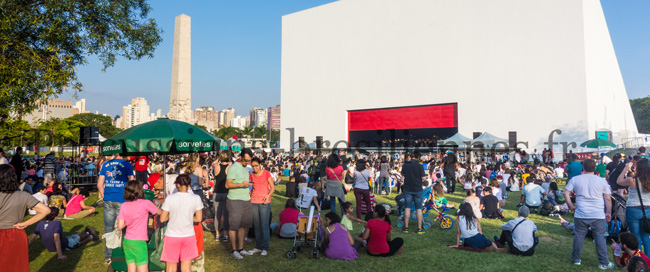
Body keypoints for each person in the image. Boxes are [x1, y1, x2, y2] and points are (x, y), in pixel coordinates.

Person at [564, 158, 614, 269]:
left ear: (583, 167)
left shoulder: (575, 179)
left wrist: (571, 206)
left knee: (579, 236)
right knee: (600, 238)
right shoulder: (602, 181)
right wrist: (609, 212)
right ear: (595, 168)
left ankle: (576, 259)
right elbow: (608, 199)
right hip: (597, 214)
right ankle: (604, 262)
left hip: (581, 213)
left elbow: (566, 193)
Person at [0, 164, 50, 271]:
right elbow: (46, 210)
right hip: (16, 234)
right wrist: (25, 224)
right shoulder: (23, 195)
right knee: (16, 267)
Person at [160, 174, 203, 272]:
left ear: (177, 185)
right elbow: (199, 218)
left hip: (172, 235)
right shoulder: (196, 198)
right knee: (186, 267)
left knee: (171, 266)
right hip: (188, 235)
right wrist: (187, 217)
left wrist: (171, 216)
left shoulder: (170, 198)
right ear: (189, 185)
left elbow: (162, 219)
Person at [97, 153, 135, 264]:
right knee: (122, 228)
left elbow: (100, 184)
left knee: (108, 228)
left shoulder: (105, 164)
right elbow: (131, 183)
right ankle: (121, 253)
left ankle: (108, 256)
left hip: (109, 199)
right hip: (122, 200)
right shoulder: (127, 165)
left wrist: (104, 196)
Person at [117, 180, 161, 272]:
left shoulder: (124, 205)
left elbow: (120, 226)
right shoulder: (145, 203)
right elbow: (160, 212)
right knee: (142, 269)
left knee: (131, 269)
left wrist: (128, 222)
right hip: (139, 242)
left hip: (127, 241)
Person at [28, 207, 98, 260]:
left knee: (77, 235)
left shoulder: (40, 223)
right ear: (56, 217)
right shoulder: (56, 223)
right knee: (77, 240)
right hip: (65, 245)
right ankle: (89, 236)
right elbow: (56, 239)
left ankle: (86, 233)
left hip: (55, 245)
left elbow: (31, 239)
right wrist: (60, 255)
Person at [225, 148, 254, 259]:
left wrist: (248, 189)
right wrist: (242, 184)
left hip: (246, 199)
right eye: (246, 160)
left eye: (249, 160)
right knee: (234, 226)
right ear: (241, 156)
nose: (247, 162)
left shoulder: (246, 168)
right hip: (234, 199)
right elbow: (228, 185)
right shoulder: (233, 167)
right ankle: (234, 250)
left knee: (243, 225)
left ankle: (241, 249)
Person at [617, 158, 650, 254]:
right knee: (646, 237)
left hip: (633, 209)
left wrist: (625, 169)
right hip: (648, 210)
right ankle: (648, 262)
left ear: (638, 168)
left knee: (636, 237)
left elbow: (618, 181)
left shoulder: (632, 180)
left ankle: (638, 261)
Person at [247, 157, 275, 256]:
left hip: (264, 202)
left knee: (264, 225)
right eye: (253, 166)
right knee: (257, 225)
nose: (254, 168)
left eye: (256, 166)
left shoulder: (266, 173)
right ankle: (258, 246)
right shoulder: (251, 174)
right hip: (254, 201)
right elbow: (250, 185)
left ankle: (265, 247)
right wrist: (249, 192)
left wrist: (268, 196)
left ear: (260, 165)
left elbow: (272, 187)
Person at [400, 150, 427, 234]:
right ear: (418, 157)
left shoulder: (405, 165)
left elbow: (402, 176)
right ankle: (419, 228)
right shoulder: (420, 166)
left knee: (407, 207)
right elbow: (423, 178)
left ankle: (406, 227)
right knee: (419, 208)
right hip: (417, 189)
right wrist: (426, 177)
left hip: (407, 188)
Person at [212, 151, 231, 242]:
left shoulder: (216, 166)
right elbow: (232, 163)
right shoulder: (229, 167)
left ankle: (217, 234)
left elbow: (213, 163)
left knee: (217, 214)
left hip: (217, 192)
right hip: (226, 192)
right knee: (226, 214)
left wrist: (218, 158)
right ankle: (226, 234)